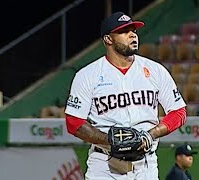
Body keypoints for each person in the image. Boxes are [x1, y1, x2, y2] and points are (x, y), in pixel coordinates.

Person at [64, 11, 187, 180]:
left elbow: (179, 112)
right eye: (124, 31)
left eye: (133, 31)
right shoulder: (87, 75)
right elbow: (73, 122)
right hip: (105, 165)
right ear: (108, 39)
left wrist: (152, 134)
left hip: (146, 165)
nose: (132, 35)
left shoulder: (155, 70)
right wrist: (108, 140)